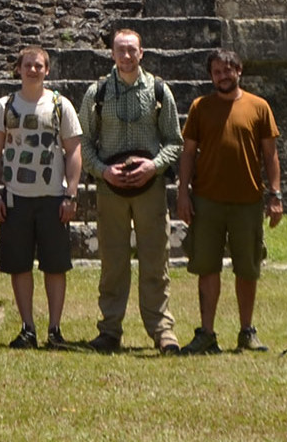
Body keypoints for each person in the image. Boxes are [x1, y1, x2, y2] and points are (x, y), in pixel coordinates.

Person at [80, 28, 184, 354]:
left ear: (142, 53)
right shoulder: (96, 92)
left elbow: (174, 141)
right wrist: (103, 171)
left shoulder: (158, 91)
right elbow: (83, 143)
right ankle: (110, 330)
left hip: (149, 186)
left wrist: (153, 166)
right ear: (112, 54)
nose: (126, 56)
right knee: (113, 262)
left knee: (156, 260)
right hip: (110, 188)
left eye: (132, 50)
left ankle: (162, 330)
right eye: (120, 50)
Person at [176, 49, 284, 354]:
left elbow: (270, 155)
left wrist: (275, 195)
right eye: (217, 72)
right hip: (207, 200)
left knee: (247, 268)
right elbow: (187, 154)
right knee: (206, 267)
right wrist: (183, 193)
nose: (223, 76)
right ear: (211, 76)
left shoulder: (258, 107)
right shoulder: (200, 107)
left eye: (228, 70)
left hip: (247, 201)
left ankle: (246, 332)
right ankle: (206, 333)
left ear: (239, 70)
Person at [0, 46, 84, 349]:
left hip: (53, 196)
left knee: (55, 266)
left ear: (47, 70)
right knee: (20, 265)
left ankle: (54, 330)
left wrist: (71, 192)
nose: (32, 70)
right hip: (16, 196)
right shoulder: (6, 105)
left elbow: (74, 150)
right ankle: (28, 327)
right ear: (18, 69)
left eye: (38, 66)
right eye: (27, 65)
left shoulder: (59, 104)